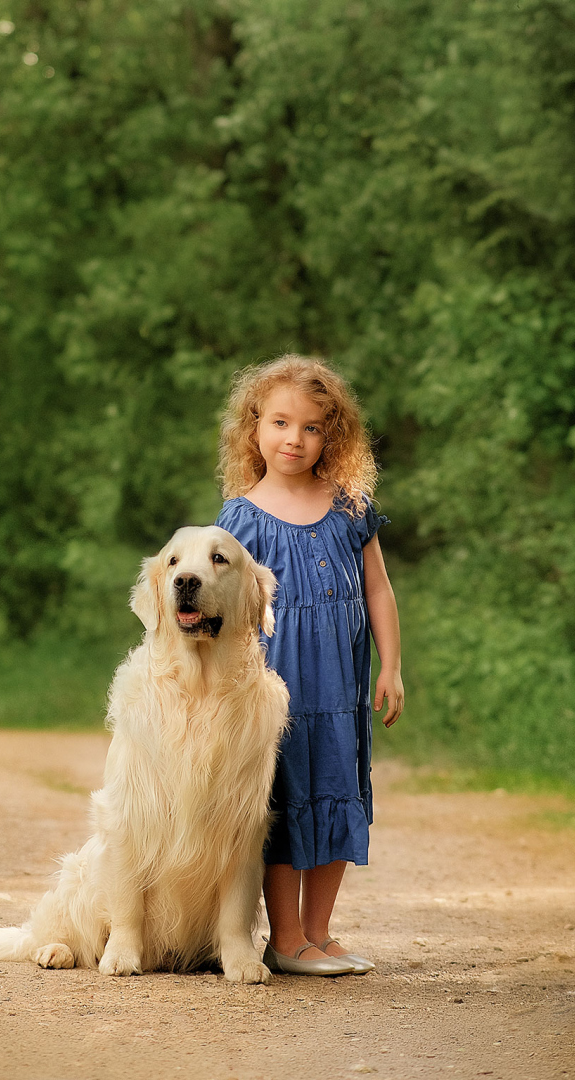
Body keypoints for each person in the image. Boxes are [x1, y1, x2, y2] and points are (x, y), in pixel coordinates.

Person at [214, 354, 404, 977]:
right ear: (254, 428)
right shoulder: (243, 517)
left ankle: (320, 933)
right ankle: (286, 938)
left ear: (333, 435)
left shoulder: (351, 507)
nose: (294, 438)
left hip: (343, 686)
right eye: (280, 422)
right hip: (277, 690)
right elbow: (228, 608)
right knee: (285, 800)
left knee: (337, 791)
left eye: (313, 427)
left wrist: (390, 667)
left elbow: (378, 589)